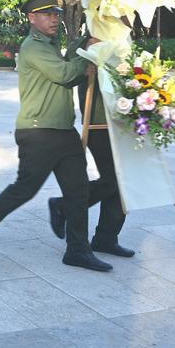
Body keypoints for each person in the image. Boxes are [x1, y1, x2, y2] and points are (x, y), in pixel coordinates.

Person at [0, 0, 113, 272]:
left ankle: (77, 250)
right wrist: (91, 54)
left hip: (63, 130)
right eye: (47, 14)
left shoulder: (50, 45)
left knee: (78, 192)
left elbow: (67, 70)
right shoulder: (33, 46)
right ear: (31, 17)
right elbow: (64, 74)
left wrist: (86, 43)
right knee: (26, 188)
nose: (54, 19)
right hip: (38, 133)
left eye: (57, 14)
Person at [45, 55, 136, 258]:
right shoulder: (87, 43)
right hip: (99, 123)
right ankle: (63, 206)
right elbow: (69, 68)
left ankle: (106, 238)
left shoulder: (122, 41)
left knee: (122, 182)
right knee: (114, 180)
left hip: (124, 121)